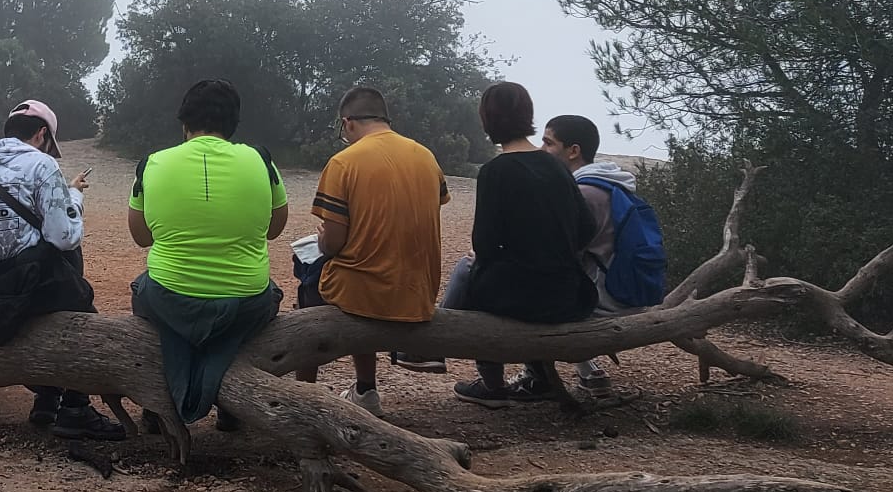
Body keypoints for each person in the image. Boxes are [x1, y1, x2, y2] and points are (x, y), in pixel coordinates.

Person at [0, 100, 121, 440]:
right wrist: (74, 198)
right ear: (41, 134)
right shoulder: (42, 165)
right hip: (27, 290)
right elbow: (64, 236)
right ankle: (75, 407)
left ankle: (47, 395)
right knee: (79, 296)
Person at [128, 79, 287, 425]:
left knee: (144, 292)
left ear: (184, 123)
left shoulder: (151, 163)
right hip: (244, 302)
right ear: (233, 124)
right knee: (270, 295)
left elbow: (140, 237)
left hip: (169, 298)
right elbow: (275, 229)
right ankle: (232, 407)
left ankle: (158, 403)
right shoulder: (262, 160)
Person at [442, 82, 598, 407]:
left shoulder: (496, 171)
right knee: (491, 274)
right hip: (568, 295)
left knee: (477, 276)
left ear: (487, 119)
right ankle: (537, 377)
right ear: (528, 116)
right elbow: (587, 228)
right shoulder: (556, 166)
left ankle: (492, 385)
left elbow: (485, 245)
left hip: (522, 298)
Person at [304, 85, 449, 415]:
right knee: (363, 258)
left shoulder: (344, 162)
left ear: (348, 122)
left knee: (309, 271)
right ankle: (364, 389)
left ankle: (306, 394)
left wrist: (323, 238)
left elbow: (334, 243)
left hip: (366, 293)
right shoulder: (426, 156)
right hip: (418, 290)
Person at [542, 113, 665, 395]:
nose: (541, 150)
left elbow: (556, 255)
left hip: (606, 301)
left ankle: (535, 376)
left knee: (527, 285)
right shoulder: (612, 185)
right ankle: (589, 371)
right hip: (628, 292)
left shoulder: (584, 193)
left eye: (548, 143)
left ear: (573, 151)